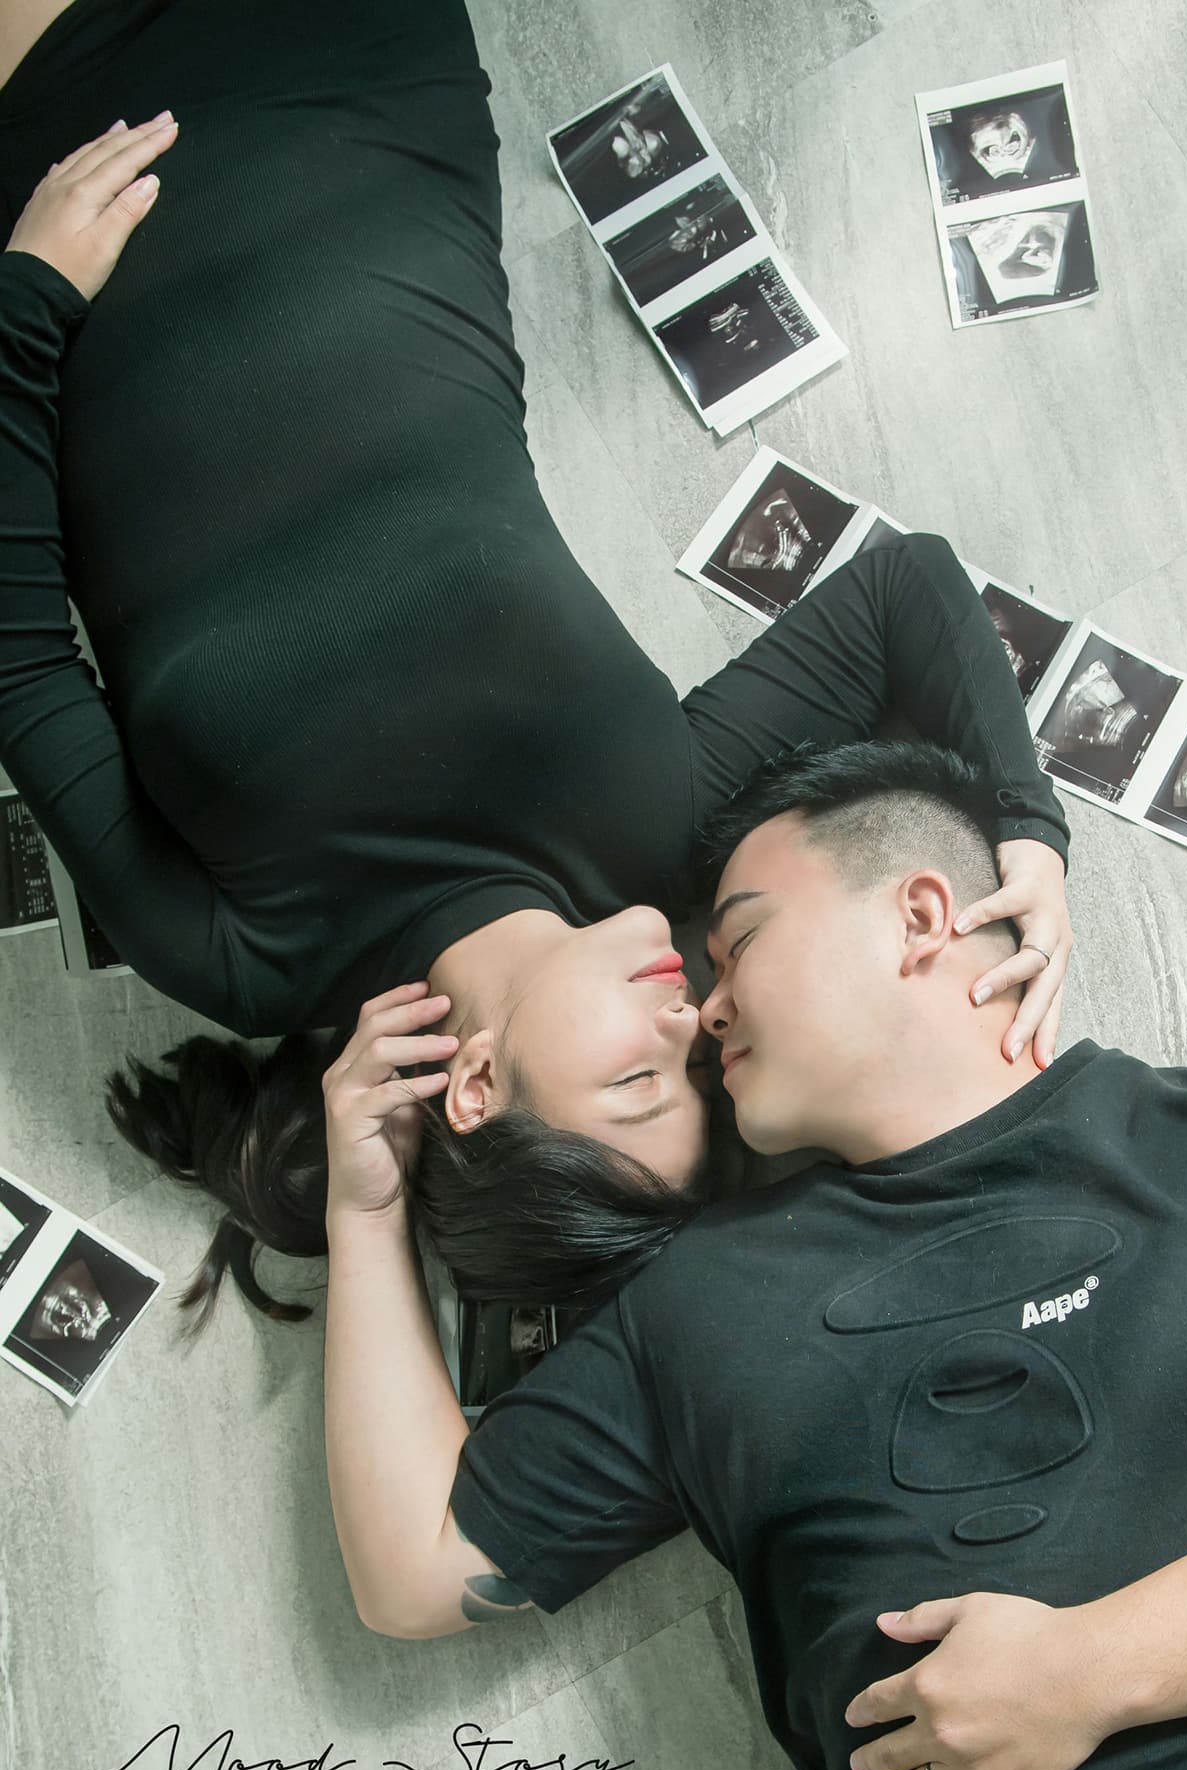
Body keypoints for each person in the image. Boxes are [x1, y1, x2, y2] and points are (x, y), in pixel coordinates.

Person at [0, 0, 1070, 1328]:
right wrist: (1027, 832)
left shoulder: (248, 957)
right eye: (700, 1071)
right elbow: (907, 589)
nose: (692, 1026)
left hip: (67, 171)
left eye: (637, 1084)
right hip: (350, 81)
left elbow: (21, 669)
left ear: (476, 1088)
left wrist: (24, 304)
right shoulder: (660, 824)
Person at [318, 735, 1187, 1770]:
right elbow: (414, 1571)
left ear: (918, 917)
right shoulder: (697, 1301)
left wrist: (1097, 1669)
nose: (707, 1005)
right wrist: (365, 1211)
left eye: (741, 942)